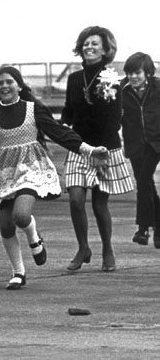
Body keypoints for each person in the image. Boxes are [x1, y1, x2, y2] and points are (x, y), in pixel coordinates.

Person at [0, 66, 109, 289]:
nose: (5, 86)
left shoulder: (32, 109)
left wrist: (89, 150)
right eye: (0, 83)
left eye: (9, 82)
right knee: (6, 227)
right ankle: (18, 272)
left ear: (19, 85)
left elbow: (58, 132)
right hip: (4, 173)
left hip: (31, 169)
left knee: (21, 214)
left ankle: (34, 237)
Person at [61, 26, 133, 272]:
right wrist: (60, 130)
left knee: (99, 204)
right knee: (76, 199)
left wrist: (100, 149)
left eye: (94, 44)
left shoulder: (111, 78)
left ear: (105, 50)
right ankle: (83, 247)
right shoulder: (73, 79)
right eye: (85, 44)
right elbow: (68, 113)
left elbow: (114, 119)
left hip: (105, 149)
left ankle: (107, 249)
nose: (89, 47)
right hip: (80, 148)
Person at [120, 52, 160, 248]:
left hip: (156, 142)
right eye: (129, 73)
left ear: (147, 72)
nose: (133, 77)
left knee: (144, 179)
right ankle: (158, 229)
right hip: (134, 143)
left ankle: (143, 227)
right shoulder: (120, 89)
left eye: (137, 72)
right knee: (146, 183)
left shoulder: (158, 87)